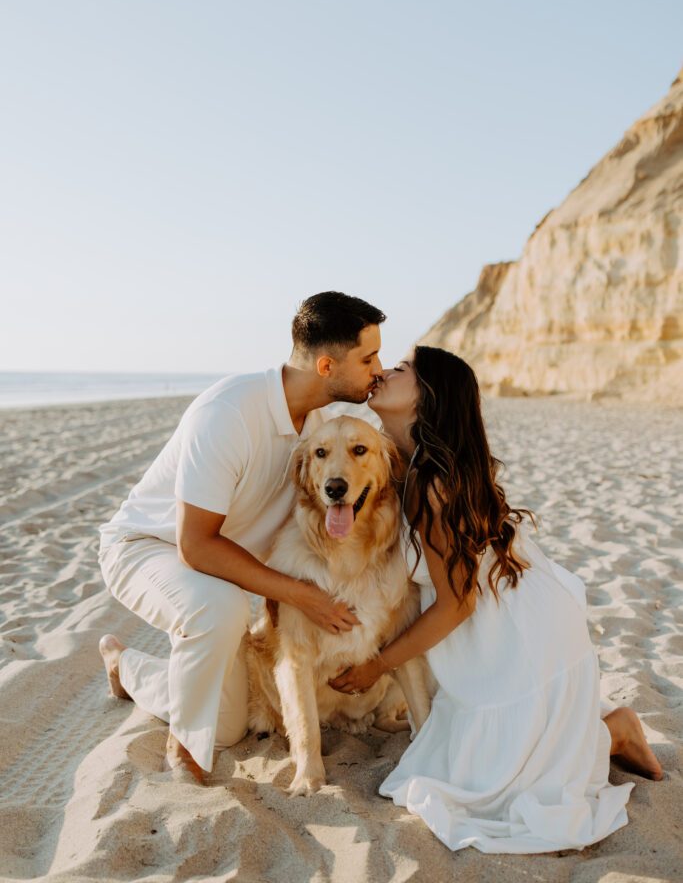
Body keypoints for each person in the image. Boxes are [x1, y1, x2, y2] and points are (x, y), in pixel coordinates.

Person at [330, 346, 663, 854]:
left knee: (485, 795)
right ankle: (600, 731)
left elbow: (456, 605)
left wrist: (378, 664)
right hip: (526, 621)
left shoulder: (430, 484)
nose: (384, 371)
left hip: (515, 645)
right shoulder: (410, 464)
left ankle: (614, 731)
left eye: (401, 370)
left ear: (427, 397)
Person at [98, 291, 384, 783]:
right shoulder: (229, 412)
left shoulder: (323, 427)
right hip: (152, 548)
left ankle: (125, 667)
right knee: (220, 610)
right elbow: (195, 544)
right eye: (367, 358)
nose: (377, 369)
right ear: (324, 364)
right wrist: (301, 596)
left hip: (222, 574)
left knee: (228, 727)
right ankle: (184, 755)